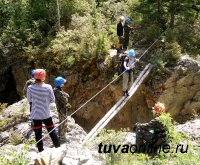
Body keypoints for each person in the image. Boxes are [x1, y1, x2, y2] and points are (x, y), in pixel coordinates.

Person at [27, 69, 60, 152]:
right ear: (43, 77)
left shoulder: (30, 88)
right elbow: (52, 100)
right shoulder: (48, 87)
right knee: (52, 131)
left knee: (38, 133)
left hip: (35, 114)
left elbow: (29, 100)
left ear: (34, 77)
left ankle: (41, 151)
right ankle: (58, 148)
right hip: (46, 114)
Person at [54, 76, 71, 141]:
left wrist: (65, 94)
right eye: (63, 83)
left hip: (61, 108)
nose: (64, 84)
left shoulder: (57, 89)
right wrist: (66, 96)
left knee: (62, 121)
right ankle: (62, 137)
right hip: (61, 109)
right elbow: (65, 100)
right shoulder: (57, 91)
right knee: (63, 122)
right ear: (60, 84)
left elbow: (62, 94)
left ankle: (61, 134)